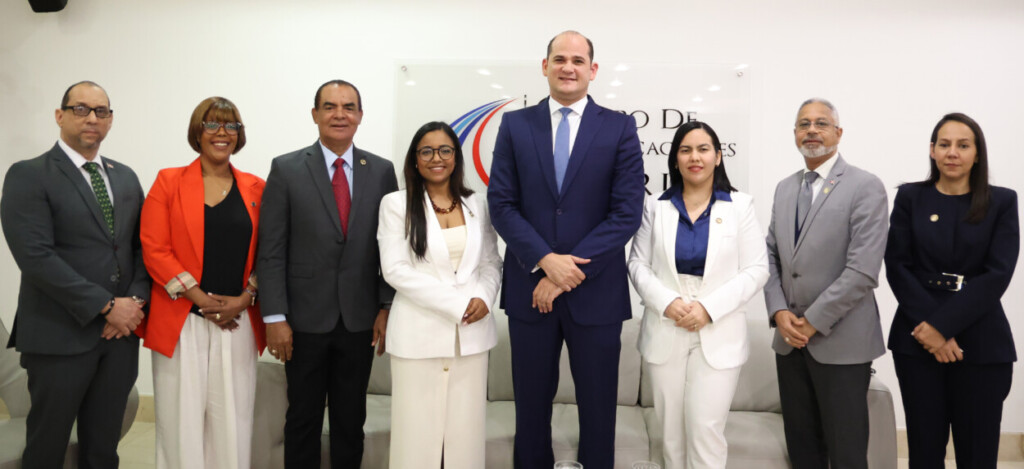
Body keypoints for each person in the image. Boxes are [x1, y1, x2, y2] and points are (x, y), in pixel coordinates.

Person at [487, 31, 645, 469]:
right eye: (560, 59)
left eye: (578, 60)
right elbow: (501, 204)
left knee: (598, 409)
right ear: (545, 66)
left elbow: (626, 213)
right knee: (531, 408)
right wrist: (544, 261)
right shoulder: (516, 126)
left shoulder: (618, 127)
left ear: (593, 70)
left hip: (595, 295)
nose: (568, 67)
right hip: (529, 290)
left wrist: (564, 274)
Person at [0, 81, 149, 468]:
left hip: (119, 340)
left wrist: (132, 304)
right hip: (58, 336)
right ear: (59, 115)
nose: (91, 118)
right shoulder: (28, 174)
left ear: (111, 120)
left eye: (101, 111)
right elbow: (35, 258)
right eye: (81, 109)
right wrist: (105, 306)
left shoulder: (126, 177)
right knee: (47, 448)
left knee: (103, 448)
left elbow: (142, 248)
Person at [257, 79, 398, 468]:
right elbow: (270, 251)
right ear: (315, 114)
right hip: (302, 320)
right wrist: (274, 317)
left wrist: (387, 306)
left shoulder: (382, 171)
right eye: (331, 107)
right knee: (302, 418)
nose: (340, 114)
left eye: (349, 107)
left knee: (351, 420)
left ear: (360, 116)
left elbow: (389, 249)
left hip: (359, 318)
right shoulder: (286, 169)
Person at [627, 121, 768, 469]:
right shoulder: (655, 206)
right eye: (686, 150)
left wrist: (707, 308)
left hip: (717, 328)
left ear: (718, 156)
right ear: (675, 159)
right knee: (671, 433)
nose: (695, 157)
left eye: (704, 149)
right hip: (666, 324)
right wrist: (667, 302)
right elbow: (637, 264)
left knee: (706, 428)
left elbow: (757, 269)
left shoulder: (740, 206)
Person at [137, 97, 266, 469]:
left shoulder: (257, 188)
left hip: (236, 323)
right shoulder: (168, 181)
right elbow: (154, 248)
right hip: (182, 320)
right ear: (198, 131)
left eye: (231, 126)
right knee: (180, 423)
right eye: (212, 124)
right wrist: (201, 301)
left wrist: (245, 298)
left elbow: (269, 253)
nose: (222, 133)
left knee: (234, 421)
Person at [885, 113, 1018, 469]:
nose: (952, 153)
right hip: (916, 338)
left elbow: (997, 274)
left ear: (977, 153)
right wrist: (930, 328)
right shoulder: (910, 197)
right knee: (925, 450)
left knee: (978, 453)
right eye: (944, 144)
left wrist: (942, 327)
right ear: (932, 150)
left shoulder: (1001, 202)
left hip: (982, 341)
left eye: (963, 145)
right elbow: (897, 265)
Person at [763, 98, 888, 469]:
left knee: (847, 452)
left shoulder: (865, 186)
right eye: (803, 124)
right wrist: (779, 311)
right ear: (795, 134)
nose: (812, 130)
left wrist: (813, 320)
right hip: (789, 343)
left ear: (838, 132)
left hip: (841, 342)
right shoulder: (786, 188)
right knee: (803, 451)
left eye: (821, 123)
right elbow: (770, 256)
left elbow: (863, 270)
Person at [377, 121, 502, 468]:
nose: (437, 158)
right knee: (416, 439)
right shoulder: (395, 204)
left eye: (445, 150)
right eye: (427, 150)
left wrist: (484, 299)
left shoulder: (477, 203)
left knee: (466, 437)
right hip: (418, 336)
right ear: (415, 159)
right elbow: (396, 270)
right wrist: (459, 305)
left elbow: (492, 262)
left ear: (456, 157)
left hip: (472, 338)